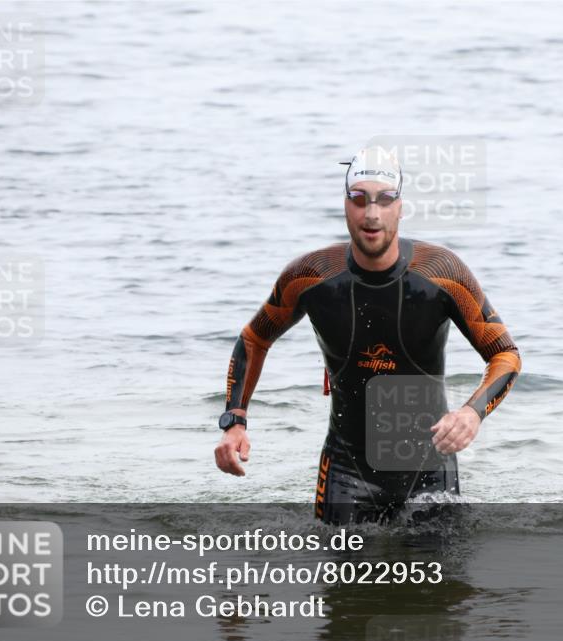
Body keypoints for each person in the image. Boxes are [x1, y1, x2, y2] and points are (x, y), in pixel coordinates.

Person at [214, 146, 521, 524]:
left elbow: (505, 355)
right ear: (345, 205)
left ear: (400, 206)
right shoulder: (310, 276)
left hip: (429, 471)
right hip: (345, 472)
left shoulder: (442, 272)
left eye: (384, 199)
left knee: (442, 583)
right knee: (338, 582)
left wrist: (472, 413)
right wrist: (235, 421)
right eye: (359, 199)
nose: (371, 213)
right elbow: (254, 340)